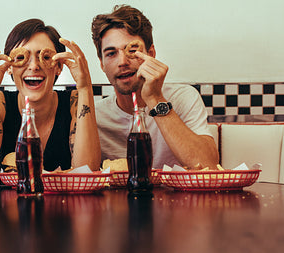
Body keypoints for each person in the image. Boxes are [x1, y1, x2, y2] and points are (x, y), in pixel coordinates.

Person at [0, 19, 101, 184]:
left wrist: (85, 88)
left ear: (58, 66)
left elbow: (86, 177)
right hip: (11, 208)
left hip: (65, 208)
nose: (34, 66)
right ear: (9, 67)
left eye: (45, 56)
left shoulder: (74, 101)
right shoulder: (0, 103)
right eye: (22, 57)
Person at [91, 5, 219, 169]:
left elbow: (209, 165)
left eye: (133, 49)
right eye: (111, 53)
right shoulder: (96, 116)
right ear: (101, 64)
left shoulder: (183, 98)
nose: (122, 62)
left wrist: (155, 98)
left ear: (151, 54)